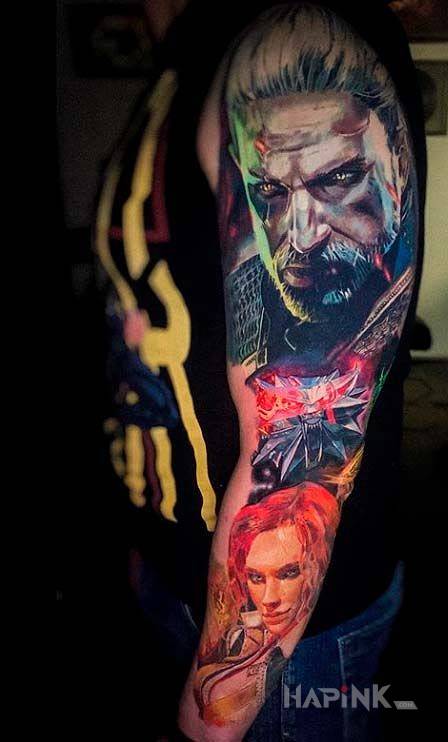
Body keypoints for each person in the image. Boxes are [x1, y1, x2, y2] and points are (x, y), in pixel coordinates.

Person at [94, 1, 426, 739]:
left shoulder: (290, 45)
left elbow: (299, 463)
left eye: (338, 178)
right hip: (181, 567)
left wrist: (212, 719)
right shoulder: (189, 61)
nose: (300, 236)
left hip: (282, 641)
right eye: (272, 192)